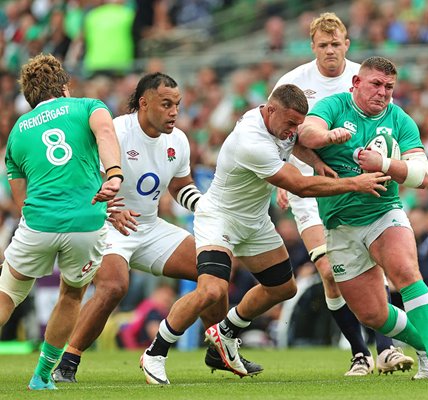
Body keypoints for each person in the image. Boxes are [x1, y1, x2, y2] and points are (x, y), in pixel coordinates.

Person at [141, 83, 390, 382]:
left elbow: (295, 142)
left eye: (298, 123)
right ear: (271, 110)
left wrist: (317, 161)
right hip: (220, 220)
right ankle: (155, 352)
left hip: (255, 222)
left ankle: (225, 334)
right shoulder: (251, 140)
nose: (293, 130)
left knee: (284, 288)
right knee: (212, 290)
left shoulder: (278, 123)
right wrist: (355, 183)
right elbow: (299, 185)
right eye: (290, 123)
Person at [51, 72, 257, 384]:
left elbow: (180, 185)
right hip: (105, 225)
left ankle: (218, 348)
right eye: (166, 104)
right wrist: (108, 208)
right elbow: (79, 176)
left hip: (148, 227)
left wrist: (202, 206)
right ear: (144, 103)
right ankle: (68, 362)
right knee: (114, 286)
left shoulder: (179, 140)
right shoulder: (116, 130)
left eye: (178, 104)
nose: (175, 111)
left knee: (213, 271)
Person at [297, 56, 428, 381]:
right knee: (371, 313)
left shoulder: (400, 120)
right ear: (356, 83)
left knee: (405, 272)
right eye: (376, 84)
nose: (383, 92)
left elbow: (422, 175)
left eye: (389, 87)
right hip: (339, 225)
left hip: (384, 213)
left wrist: (383, 163)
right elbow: (306, 133)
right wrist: (331, 137)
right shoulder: (334, 106)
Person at [273, 12, 413, 376]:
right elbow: (279, 135)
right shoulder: (293, 83)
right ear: (313, 46)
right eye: (323, 45)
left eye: (336, 43)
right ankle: (359, 352)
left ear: (347, 44)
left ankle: (386, 349)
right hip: (309, 189)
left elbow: (389, 125)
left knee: (373, 267)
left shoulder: (364, 78)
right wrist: (285, 179)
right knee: (329, 272)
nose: (330, 50)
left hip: (361, 187)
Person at [0, 53, 122, 390]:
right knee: (70, 296)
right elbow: (107, 134)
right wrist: (113, 174)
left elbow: (20, 200)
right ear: (64, 86)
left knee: (7, 294)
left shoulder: (18, 132)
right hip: (86, 224)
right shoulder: (87, 106)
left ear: (30, 96)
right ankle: (42, 376)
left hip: (38, 224)